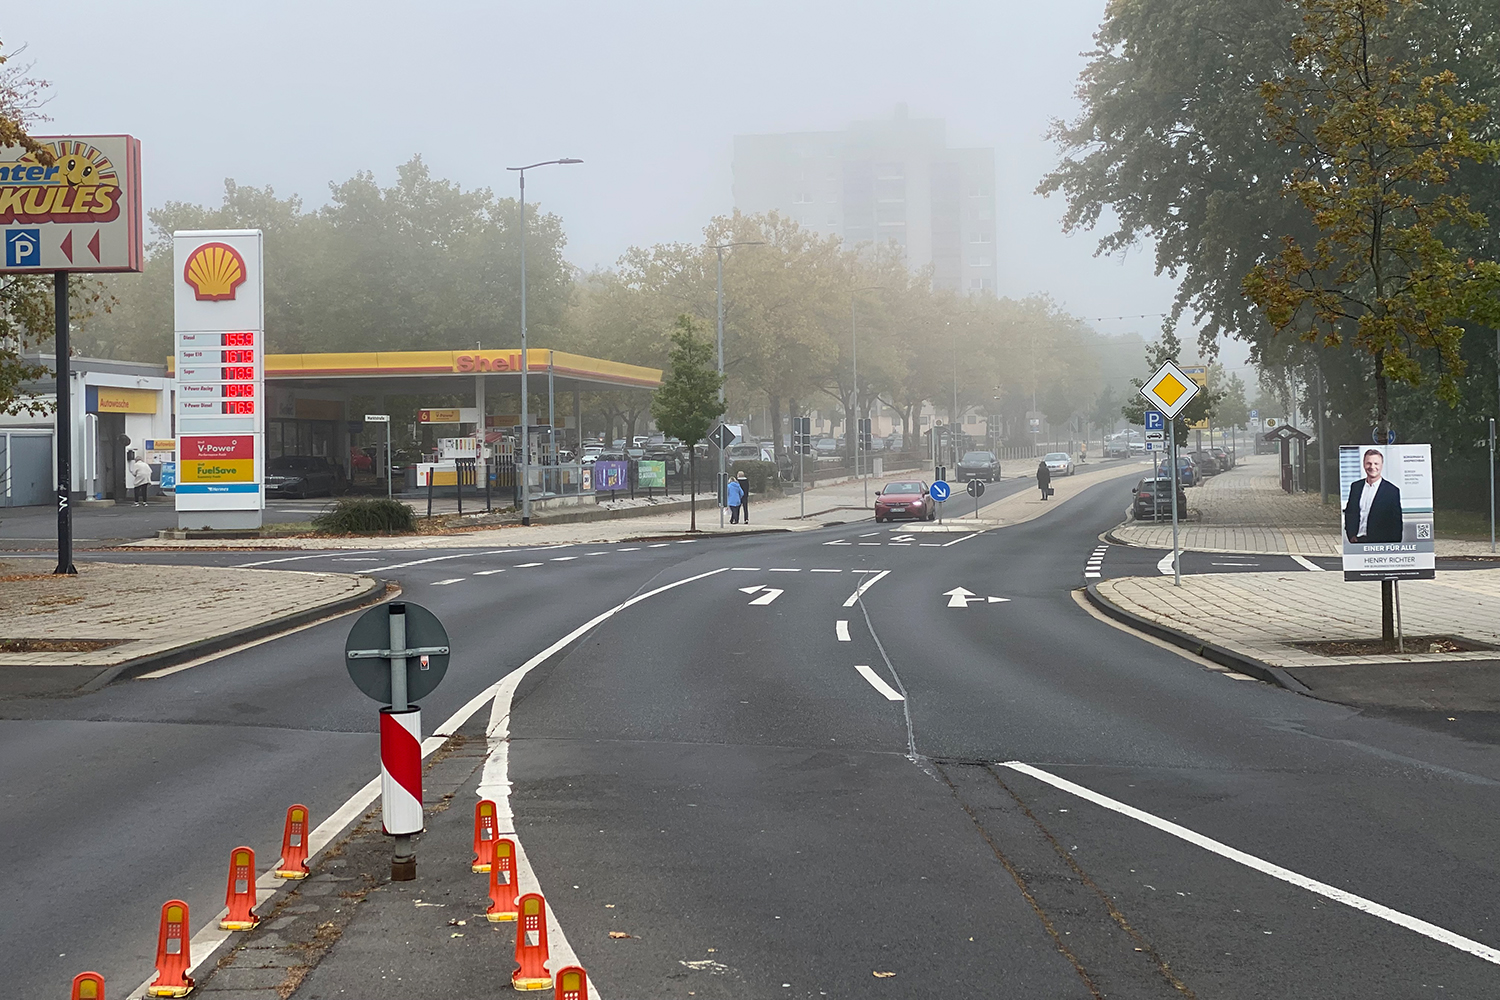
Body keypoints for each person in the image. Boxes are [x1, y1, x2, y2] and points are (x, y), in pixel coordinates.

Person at [1344, 448, 1403, 543]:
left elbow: (1396, 522)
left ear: (1381, 465)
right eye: (1369, 463)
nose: (1372, 467)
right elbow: (1350, 512)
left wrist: (1393, 546)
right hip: (1357, 541)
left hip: (1380, 543)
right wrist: (1351, 535)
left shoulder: (1391, 491)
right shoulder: (1356, 487)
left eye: (1376, 463)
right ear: (1364, 464)